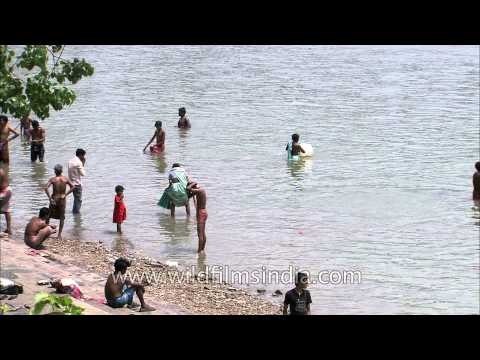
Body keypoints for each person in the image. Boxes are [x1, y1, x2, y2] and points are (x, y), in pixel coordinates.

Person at [44, 164, 74, 240]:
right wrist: (66, 194)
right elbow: (73, 187)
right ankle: (59, 235)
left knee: (48, 215)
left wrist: (49, 198)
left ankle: (46, 233)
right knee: (62, 217)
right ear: (61, 171)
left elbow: (45, 188)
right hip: (62, 200)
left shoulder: (53, 179)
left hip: (54, 199)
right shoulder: (65, 179)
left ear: (55, 171)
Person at [187, 181, 208, 254]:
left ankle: (199, 251)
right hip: (203, 213)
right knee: (202, 233)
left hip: (201, 214)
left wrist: (192, 183)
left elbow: (188, 188)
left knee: (200, 234)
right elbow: (188, 195)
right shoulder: (199, 191)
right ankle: (202, 250)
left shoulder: (200, 190)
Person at [68, 148, 86, 214]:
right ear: (81, 155)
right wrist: (83, 163)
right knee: (78, 200)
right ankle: (76, 215)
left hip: (71, 183)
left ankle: (75, 213)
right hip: (77, 184)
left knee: (76, 199)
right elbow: (83, 174)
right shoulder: (79, 162)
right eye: (83, 156)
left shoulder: (70, 161)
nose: (84, 157)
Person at [0, 168, 12, 235]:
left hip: (3, 192)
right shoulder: (1, 170)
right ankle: (9, 229)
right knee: (6, 210)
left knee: (5, 210)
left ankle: (8, 229)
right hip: (7, 190)